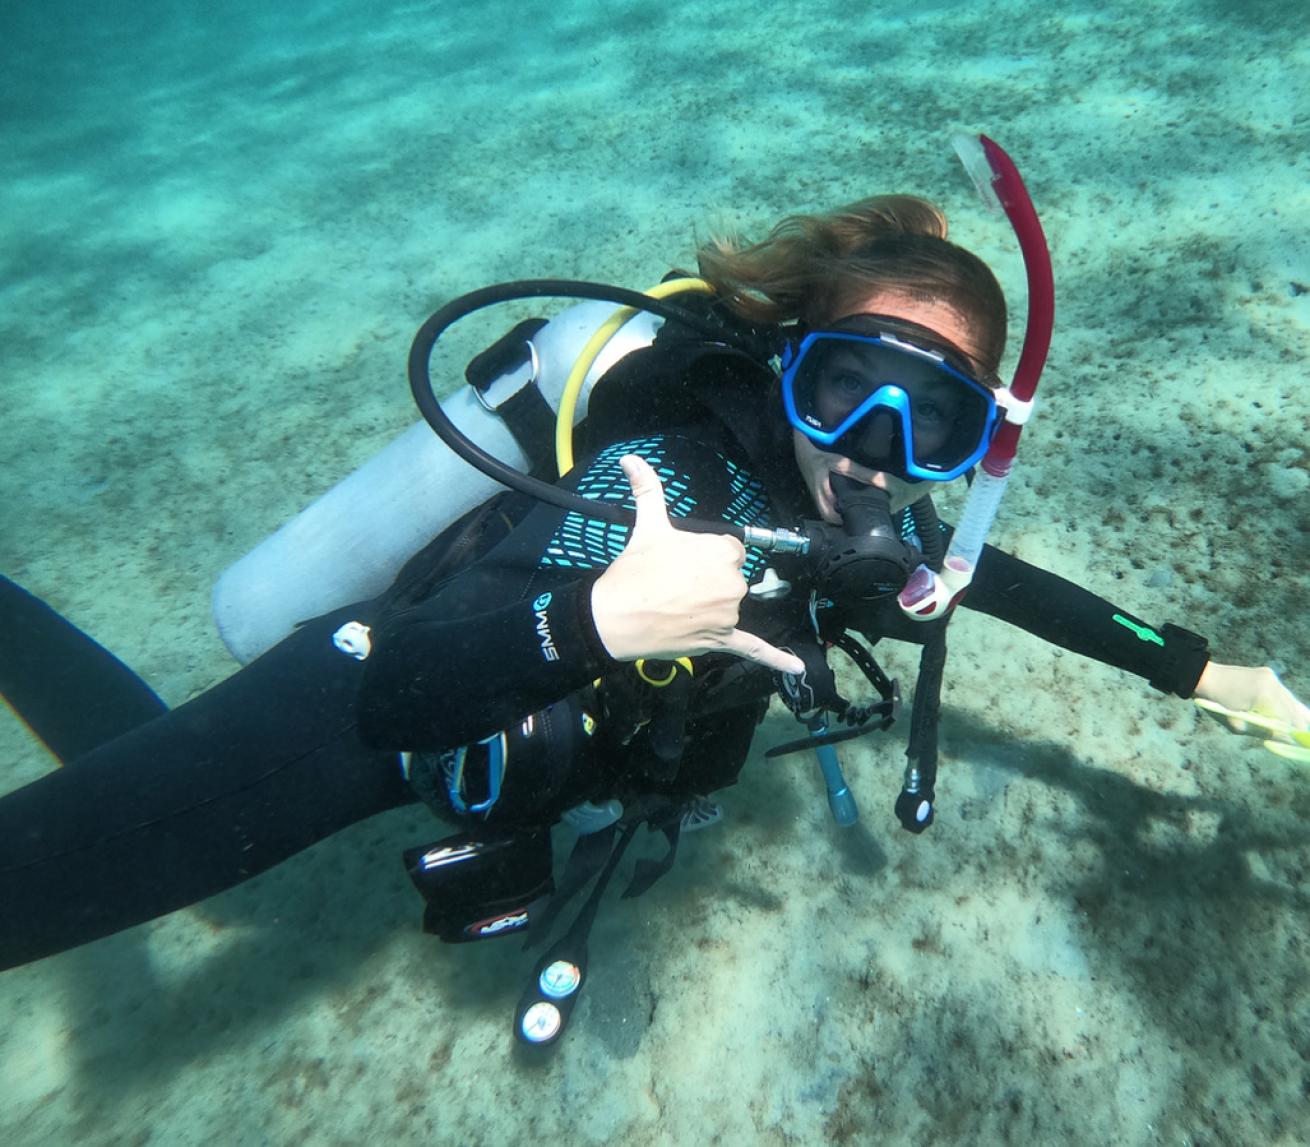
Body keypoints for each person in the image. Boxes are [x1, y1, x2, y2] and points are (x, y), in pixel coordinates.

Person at [2, 188, 1306, 1035]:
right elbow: (398, 692)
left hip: (506, 734)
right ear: (788, 371)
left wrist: (1209, 677)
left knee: (141, 776)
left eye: (933, 419)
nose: (873, 447)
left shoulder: (886, 508)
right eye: (845, 388)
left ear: (973, 437)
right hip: (369, 706)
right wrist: (594, 624)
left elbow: (999, 583)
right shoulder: (659, 479)